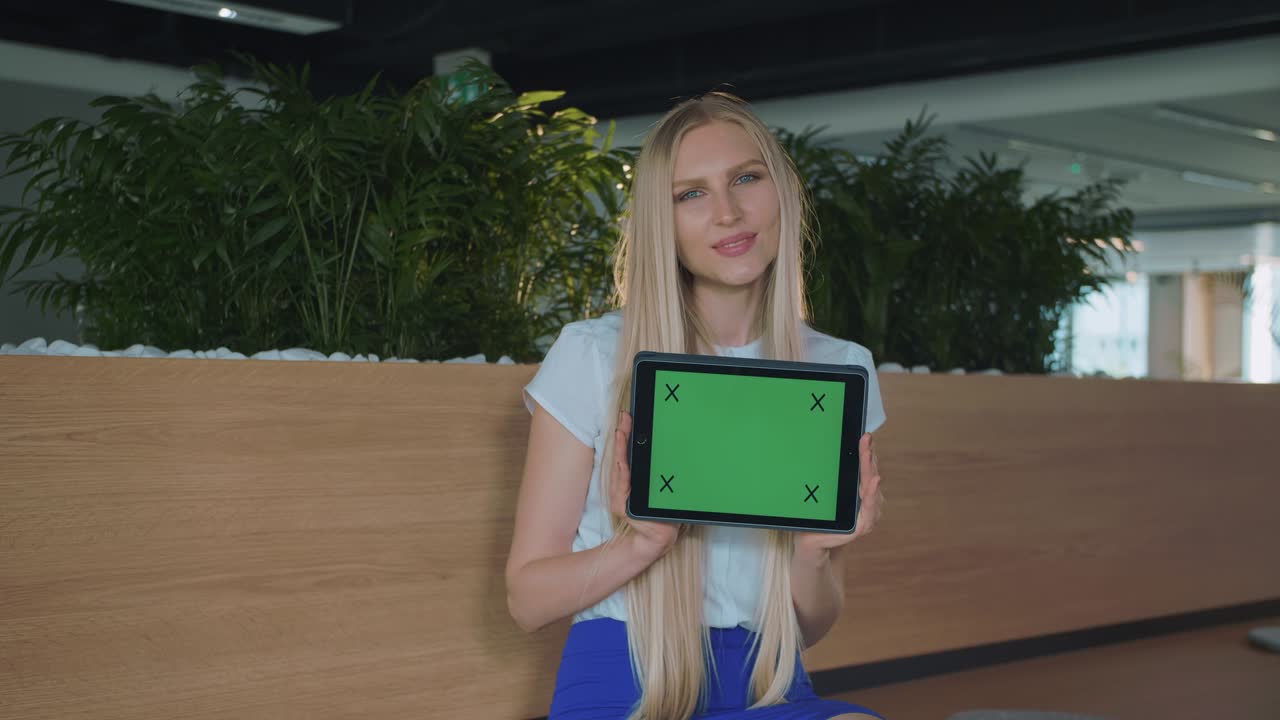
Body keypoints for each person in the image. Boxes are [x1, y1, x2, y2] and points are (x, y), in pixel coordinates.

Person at [505, 91, 887, 720]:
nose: (729, 213)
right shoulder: (593, 356)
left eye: (746, 178)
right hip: (622, 684)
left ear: (781, 191)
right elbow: (527, 600)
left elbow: (812, 626)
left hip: (771, 682)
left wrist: (817, 552)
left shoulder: (839, 370)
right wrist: (642, 545)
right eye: (692, 194)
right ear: (664, 220)